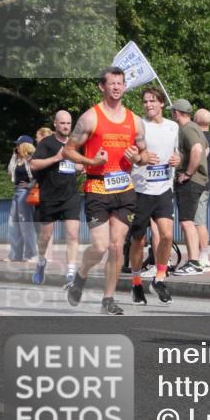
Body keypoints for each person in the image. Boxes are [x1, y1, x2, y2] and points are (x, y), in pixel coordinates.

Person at [63, 67, 150, 315]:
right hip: (97, 188)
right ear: (102, 86)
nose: (116, 87)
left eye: (120, 83)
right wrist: (91, 162)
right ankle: (81, 275)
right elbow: (68, 150)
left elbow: (144, 156)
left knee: (115, 246)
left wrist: (138, 158)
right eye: (111, 83)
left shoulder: (134, 120)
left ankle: (108, 299)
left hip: (124, 189)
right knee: (100, 247)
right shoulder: (90, 117)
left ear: (124, 86)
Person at [126, 87, 180, 305]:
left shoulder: (173, 126)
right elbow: (129, 155)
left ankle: (159, 278)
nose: (148, 105)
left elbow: (178, 152)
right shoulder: (138, 127)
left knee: (167, 235)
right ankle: (136, 282)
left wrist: (178, 159)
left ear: (161, 104)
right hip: (141, 190)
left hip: (164, 189)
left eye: (152, 101)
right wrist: (141, 157)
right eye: (145, 101)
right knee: (139, 240)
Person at [30, 111, 83, 286]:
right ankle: (41, 262)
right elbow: (34, 164)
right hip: (49, 196)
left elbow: (80, 164)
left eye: (68, 123)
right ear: (55, 124)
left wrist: (79, 166)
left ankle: (70, 272)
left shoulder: (74, 143)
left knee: (73, 234)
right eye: (62, 123)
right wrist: (56, 158)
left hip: (70, 196)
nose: (66, 126)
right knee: (45, 237)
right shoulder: (47, 143)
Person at [170, 99, 208, 275]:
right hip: (198, 180)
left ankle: (193, 261)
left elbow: (198, 150)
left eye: (172, 112)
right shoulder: (196, 128)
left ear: (177, 113)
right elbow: (205, 150)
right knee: (189, 221)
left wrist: (188, 173)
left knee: (187, 222)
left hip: (191, 181)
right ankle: (194, 260)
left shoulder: (187, 129)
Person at [7, 136, 38, 262]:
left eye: (18, 145)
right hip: (16, 191)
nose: (16, 147)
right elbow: (10, 172)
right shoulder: (16, 158)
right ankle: (16, 254)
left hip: (26, 193)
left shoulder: (32, 158)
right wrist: (15, 156)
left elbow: (39, 175)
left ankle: (32, 254)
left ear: (24, 145)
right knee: (13, 224)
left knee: (26, 224)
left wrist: (30, 185)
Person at [194, 108, 210, 271]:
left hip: (199, 184)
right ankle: (200, 255)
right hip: (206, 183)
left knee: (198, 221)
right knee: (198, 221)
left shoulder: (200, 139)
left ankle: (203, 256)